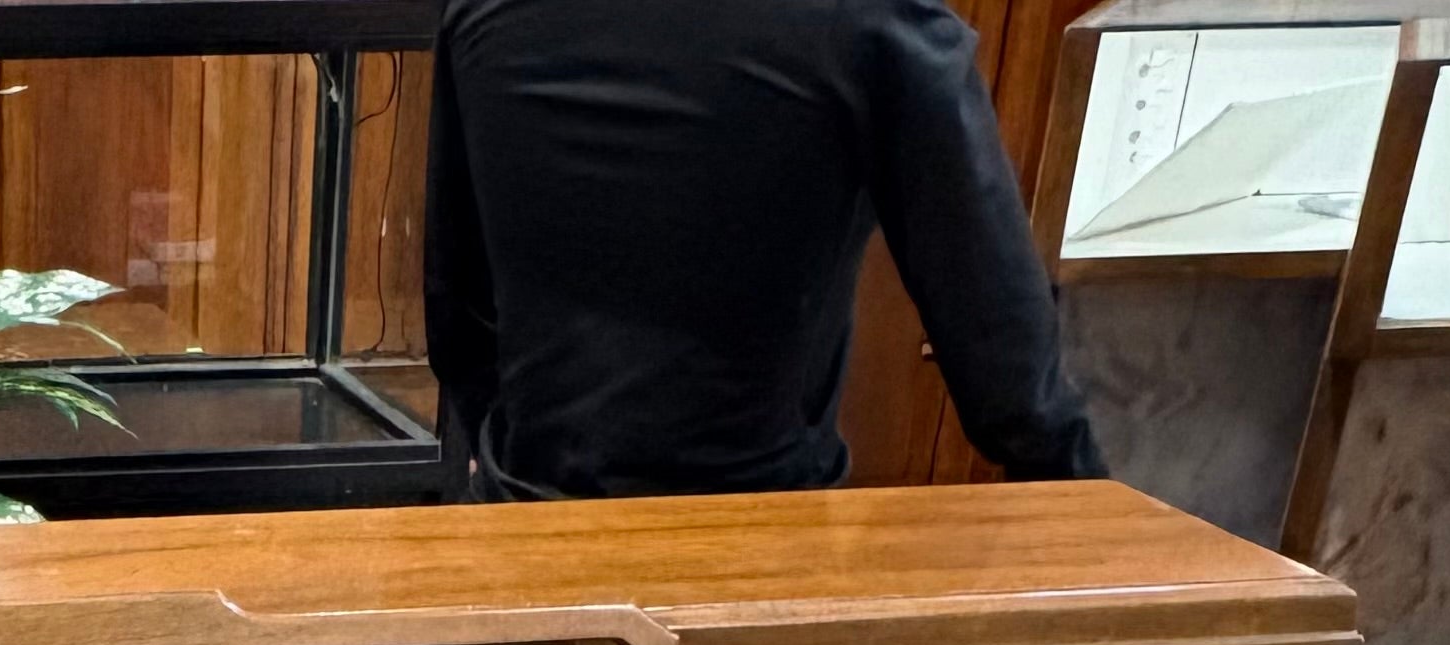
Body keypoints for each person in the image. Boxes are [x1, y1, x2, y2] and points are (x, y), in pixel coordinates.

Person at [424, 0, 1104, 501]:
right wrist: (1097, 529)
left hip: (529, 520)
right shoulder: (877, 19)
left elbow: (455, 310)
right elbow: (1007, 366)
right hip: (761, 542)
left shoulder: (487, 8)